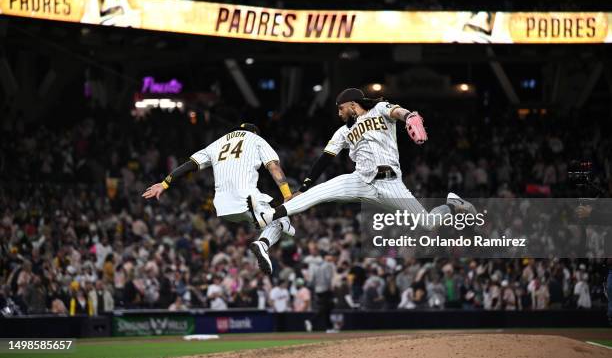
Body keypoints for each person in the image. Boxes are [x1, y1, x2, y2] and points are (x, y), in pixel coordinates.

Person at [249, 88, 476, 231]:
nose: (339, 113)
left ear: (352, 104)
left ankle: (452, 204)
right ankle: (270, 215)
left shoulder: (378, 109)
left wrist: (409, 116)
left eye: (341, 108)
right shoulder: (343, 132)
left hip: (390, 183)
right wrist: (305, 185)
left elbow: (396, 111)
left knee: (428, 224)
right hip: (360, 180)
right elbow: (324, 160)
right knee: (316, 194)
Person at [143, 123, 295, 275]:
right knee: (280, 220)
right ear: (254, 132)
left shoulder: (217, 143)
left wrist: (164, 184)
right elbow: (273, 167)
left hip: (223, 209)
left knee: (276, 219)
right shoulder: (256, 139)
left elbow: (190, 165)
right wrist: (288, 195)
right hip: (247, 199)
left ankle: (276, 231)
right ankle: (264, 242)